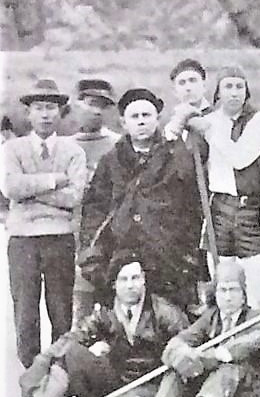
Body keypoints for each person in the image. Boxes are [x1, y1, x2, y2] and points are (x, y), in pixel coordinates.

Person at [1, 254, 190, 397]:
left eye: (135, 278)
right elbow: (72, 338)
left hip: (150, 386)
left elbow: (187, 348)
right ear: (114, 285)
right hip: (115, 382)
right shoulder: (105, 312)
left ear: (144, 280)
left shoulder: (165, 313)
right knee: (71, 353)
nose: (130, 285)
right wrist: (41, 363)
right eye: (123, 279)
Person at [79, 87, 205, 309]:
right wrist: (92, 258)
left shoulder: (176, 156)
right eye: (134, 116)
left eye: (146, 115)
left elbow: (193, 207)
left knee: (172, 324)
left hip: (168, 259)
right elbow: (94, 210)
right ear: (123, 123)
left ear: (157, 119)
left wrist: (186, 254)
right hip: (121, 261)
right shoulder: (111, 161)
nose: (141, 121)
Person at [3, 78, 88, 368]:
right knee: (26, 312)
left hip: (60, 238)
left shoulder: (73, 151)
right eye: (39, 108)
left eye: (51, 107)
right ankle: (31, 379)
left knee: (61, 311)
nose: (45, 114)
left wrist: (32, 193)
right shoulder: (12, 150)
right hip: (23, 240)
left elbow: (74, 196)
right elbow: (10, 189)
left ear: (60, 112)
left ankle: (60, 377)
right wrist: (53, 180)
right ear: (28, 113)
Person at [143, 259, 260, 397]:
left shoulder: (257, 319)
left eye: (233, 290)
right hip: (208, 384)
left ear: (243, 293)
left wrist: (207, 356)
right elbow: (180, 340)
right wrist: (181, 353)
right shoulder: (210, 317)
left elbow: (242, 347)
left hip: (240, 389)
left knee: (229, 368)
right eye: (222, 290)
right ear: (215, 293)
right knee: (178, 366)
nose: (227, 297)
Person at [186, 64, 260, 316]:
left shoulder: (259, 118)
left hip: (250, 208)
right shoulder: (210, 120)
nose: (234, 93)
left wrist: (209, 131)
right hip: (218, 208)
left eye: (239, 87)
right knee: (222, 279)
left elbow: (241, 157)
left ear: (247, 91)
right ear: (218, 92)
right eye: (228, 87)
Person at [68, 78, 121, 326]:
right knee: (81, 312)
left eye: (103, 105)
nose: (97, 110)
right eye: (91, 103)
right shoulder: (66, 146)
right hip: (74, 237)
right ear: (77, 104)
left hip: (111, 238)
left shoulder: (118, 144)